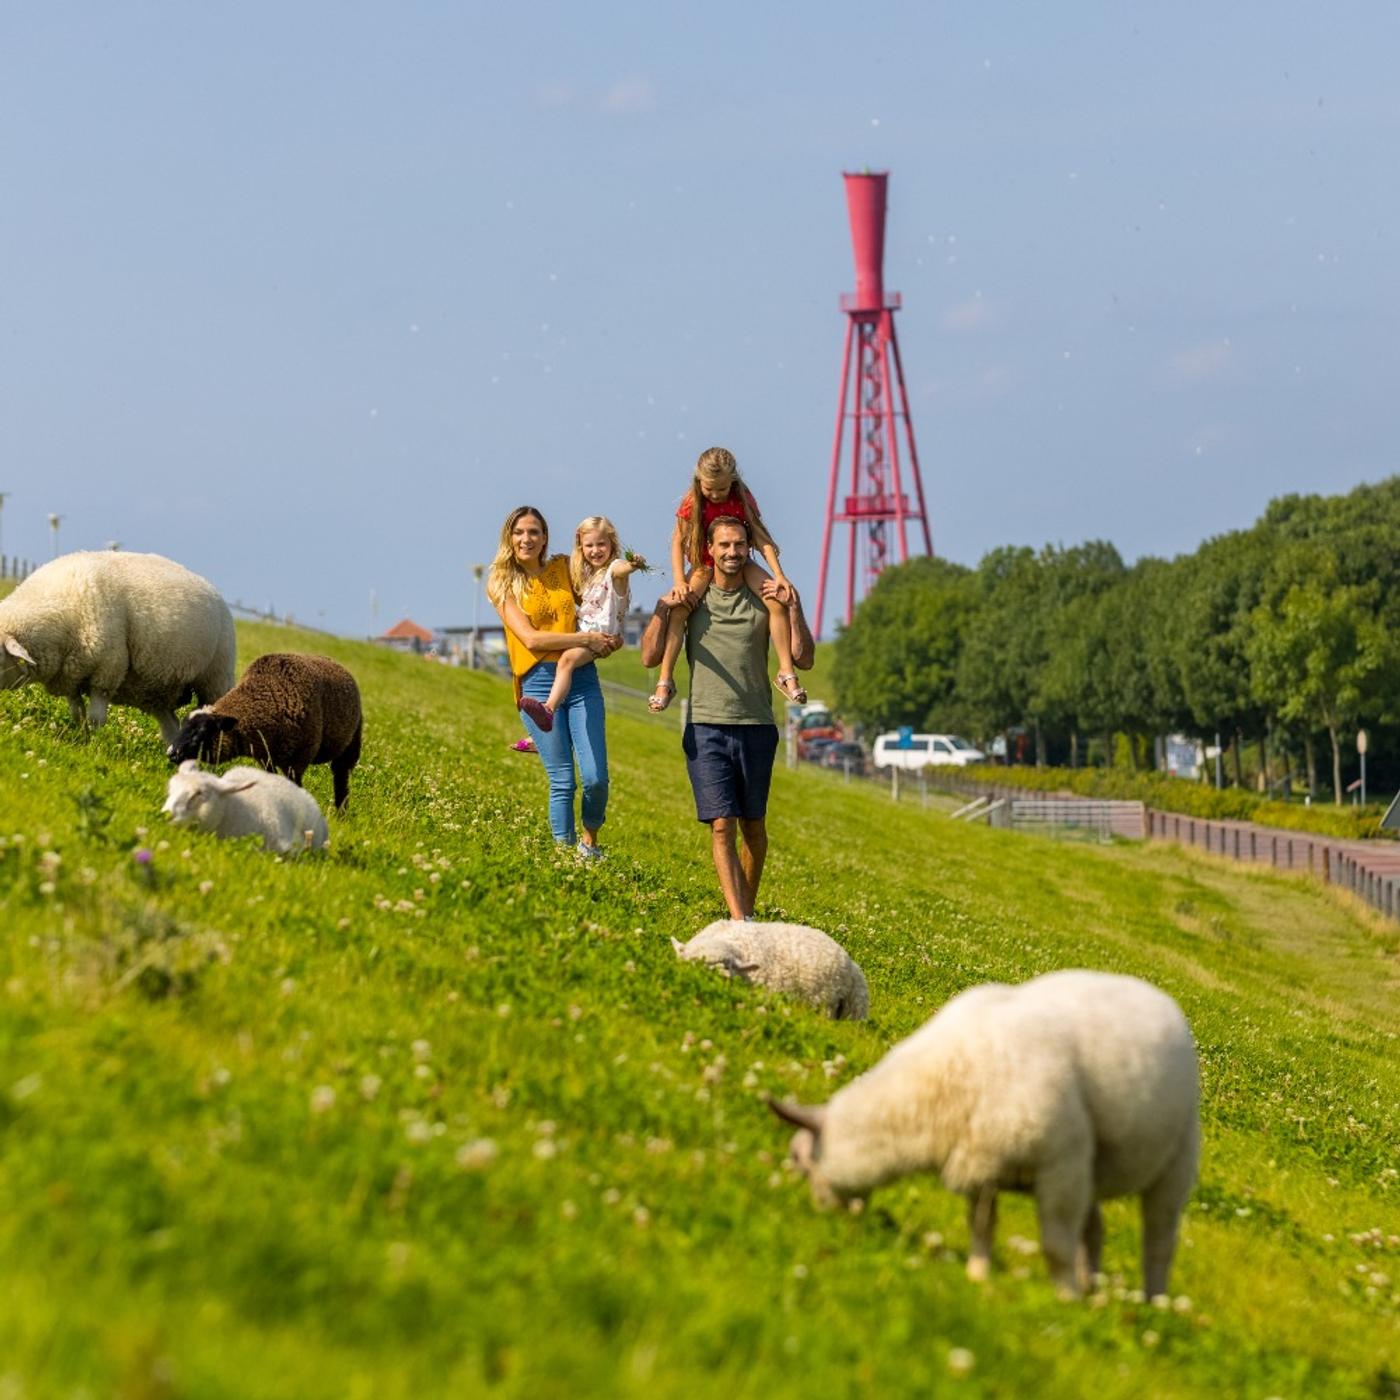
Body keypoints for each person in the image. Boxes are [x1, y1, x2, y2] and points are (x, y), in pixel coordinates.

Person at [661, 514, 812, 919]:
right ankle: (739, 918)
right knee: (722, 824)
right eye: (723, 545)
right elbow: (650, 652)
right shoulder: (695, 597)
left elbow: (805, 657)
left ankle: (746, 907)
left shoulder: (764, 596)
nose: (731, 552)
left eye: (738, 545)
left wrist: (793, 607)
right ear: (709, 550)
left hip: (757, 725)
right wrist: (664, 607)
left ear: (748, 549)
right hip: (706, 725)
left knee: (754, 828)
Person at [487, 505, 620, 858]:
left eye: (533, 532)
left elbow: (597, 603)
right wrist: (583, 641)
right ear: (509, 538)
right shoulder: (501, 582)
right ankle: (564, 857)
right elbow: (530, 639)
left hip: (582, 679)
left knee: (595, 777)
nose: (526, 539)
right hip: (537, 685)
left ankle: (590, 841)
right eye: (519, 532)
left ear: (545, 537)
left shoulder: (565, 567)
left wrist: (607, 636)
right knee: (563, 780)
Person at [649, 446, 806, 713]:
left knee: (776, 602)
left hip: (740, 560)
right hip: (703, 563)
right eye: (709, 489)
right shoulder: (692, 500)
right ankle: (665, 680)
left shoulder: (742, 496)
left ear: (733, 481)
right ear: (700, 482)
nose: (715, 495)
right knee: (679, 611)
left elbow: (761, 537)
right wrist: (679, 581)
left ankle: (785, 673)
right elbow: (677, 541)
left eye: (721, 490)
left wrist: (779, 575)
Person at [517, 515, 645, 733]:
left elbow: (622, 569)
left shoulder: (614, 570)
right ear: (581, 547)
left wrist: (633, 564)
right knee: (563, 660)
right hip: (585, 631)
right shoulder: (589, 573)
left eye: (601, 544)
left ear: (612, 544)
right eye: (589, 545)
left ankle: (548, 709)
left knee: (566, 661)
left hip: (600, 635)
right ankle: (537, 736)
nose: (595, 550)